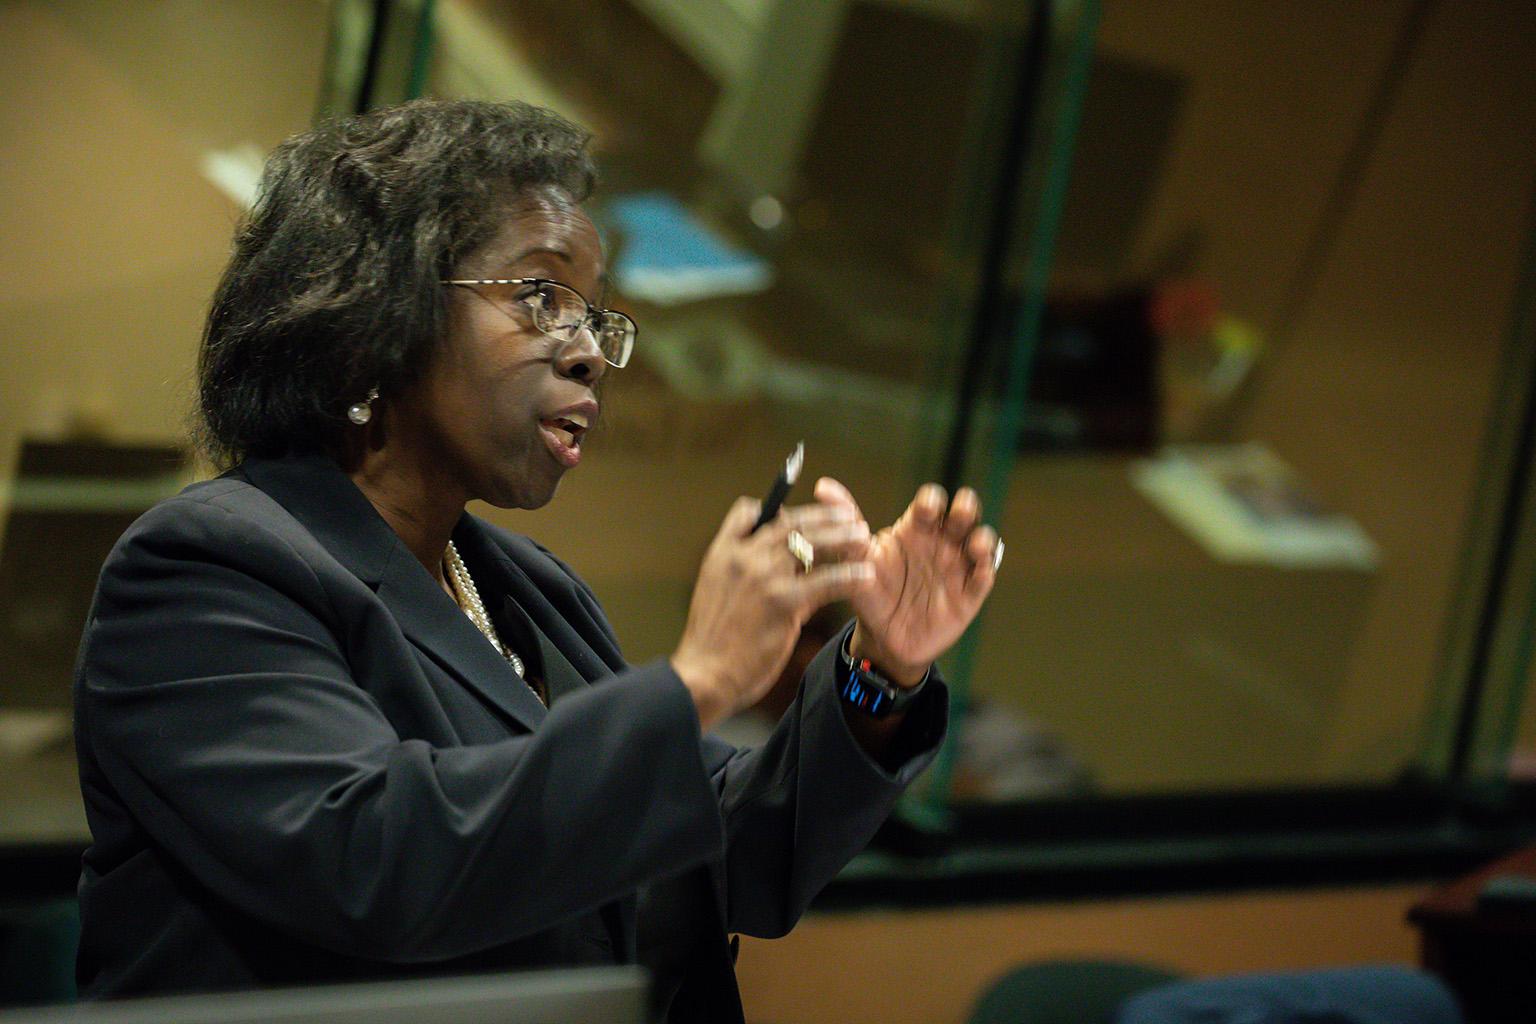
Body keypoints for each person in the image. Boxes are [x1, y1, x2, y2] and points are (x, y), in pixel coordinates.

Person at [70, 99, 1003, 1023]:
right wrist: (704, 675)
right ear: (370, 315)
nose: (591, 352)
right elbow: (377, 864)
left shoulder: (528, 585)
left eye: (597, 316)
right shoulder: (208, 568)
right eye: (541, 297)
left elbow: (726, 853)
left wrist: (881, 669)